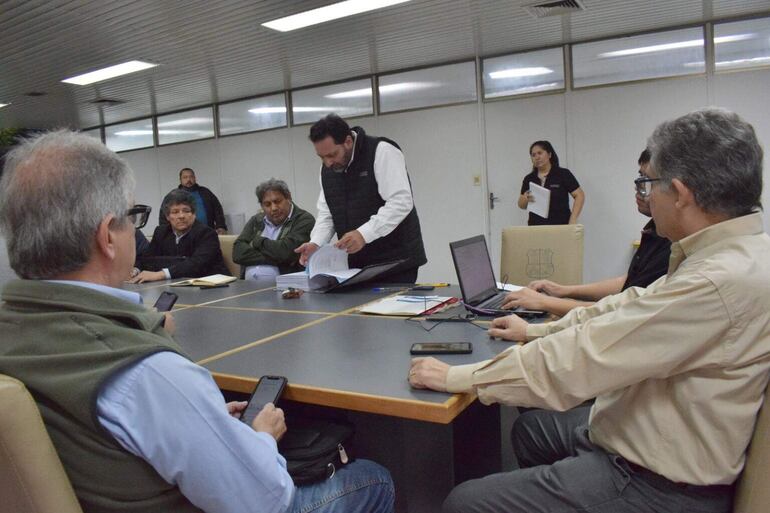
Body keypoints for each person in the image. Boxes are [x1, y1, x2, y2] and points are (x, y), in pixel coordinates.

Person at [0, 130, 395, 513]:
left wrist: (200, 420)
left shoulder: (15, 334)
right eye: (130, 216)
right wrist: (261, 438)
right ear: (107, 236)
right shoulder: (147, 372)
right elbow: (263, 499)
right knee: (373, 479)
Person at [409, 108, 770, 513]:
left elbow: (581, 359)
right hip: (643, 433)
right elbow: (627, 307)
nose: (647, 196)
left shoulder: (717, 281)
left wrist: (460, 376)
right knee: (530, 432)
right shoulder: (730, 254)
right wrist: (533, 332)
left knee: (464, 502)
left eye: (650, 185)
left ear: (681, 194)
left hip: (652, 483)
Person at [503, 149, 671, 316]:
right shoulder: (656, 231)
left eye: (646, 181)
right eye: (639, 178)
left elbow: (627, 309)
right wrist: (561, 291)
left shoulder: (671, 244)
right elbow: (629, 284)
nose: (638, 188)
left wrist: (545, 303)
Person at [294, 114, 427, 284]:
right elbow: (327, 214)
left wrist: (364, 234)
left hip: (395, 262)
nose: (327, 163)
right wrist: (316, 243)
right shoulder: (327, 170)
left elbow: (400, 202)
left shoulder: (381, 151)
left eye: (332, 155)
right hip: (357, 266)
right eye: (322, 157)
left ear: (348, 141)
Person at [131, 189, 231, 282]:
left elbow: (196, 264)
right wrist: (135, 270)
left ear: (194, 214)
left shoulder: (207, 234)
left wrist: (161, 273)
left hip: (212, 286)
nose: (181, 216)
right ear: (167, 217)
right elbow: (147, 259)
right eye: (175, 212)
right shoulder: (160, 232)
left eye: (186, 211)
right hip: (174, 285)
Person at [233, 178, 315, 279]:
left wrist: (257, 242)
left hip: (286, 288)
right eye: (267, 204)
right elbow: (237, 253)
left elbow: (286, 252)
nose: (274, 208)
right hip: (248, 286)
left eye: (277, 201)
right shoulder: (256, 220)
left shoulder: (304, 219)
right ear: (261, 206)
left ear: (288, 197)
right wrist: (276, 257)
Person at [518, 140, 585, 225]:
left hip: (560, 225)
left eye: (540, 153)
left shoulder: (563, 174)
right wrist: (524, 199)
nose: (537, 157)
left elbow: (579, 195)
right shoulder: (529, 178)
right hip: (536, 227)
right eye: (533, 155)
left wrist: (573, 219)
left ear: (549, 154)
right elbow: (521, 205)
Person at [160, 167, 228, 234]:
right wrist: (166, 233)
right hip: (181, 235)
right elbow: (164, 215)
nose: (189, 179)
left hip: (206, 233)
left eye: (191, 177)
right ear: (180, 180)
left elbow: (218, 210)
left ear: (195, 178)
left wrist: (221, 226)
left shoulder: (205, 192)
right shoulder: (173, 195)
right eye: (185, 177)